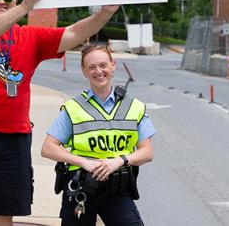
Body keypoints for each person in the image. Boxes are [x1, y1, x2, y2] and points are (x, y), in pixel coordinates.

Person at [0, 0, 119, 226]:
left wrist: (104, 15)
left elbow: (72, 33)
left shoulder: (31, 37)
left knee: (5, 214)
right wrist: (25, 7)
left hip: (14, 138)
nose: (1, 1)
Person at [41, 44, 155, 226]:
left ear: (113, 65)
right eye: (91, 67)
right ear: (84, 71)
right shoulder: (73, 108)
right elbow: (47, 148)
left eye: (103, 65)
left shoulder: (135, 107)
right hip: (81, 189)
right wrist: (83, 162)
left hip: (117, 189)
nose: (98, 71)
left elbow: (147, 152)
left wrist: (120, 161)